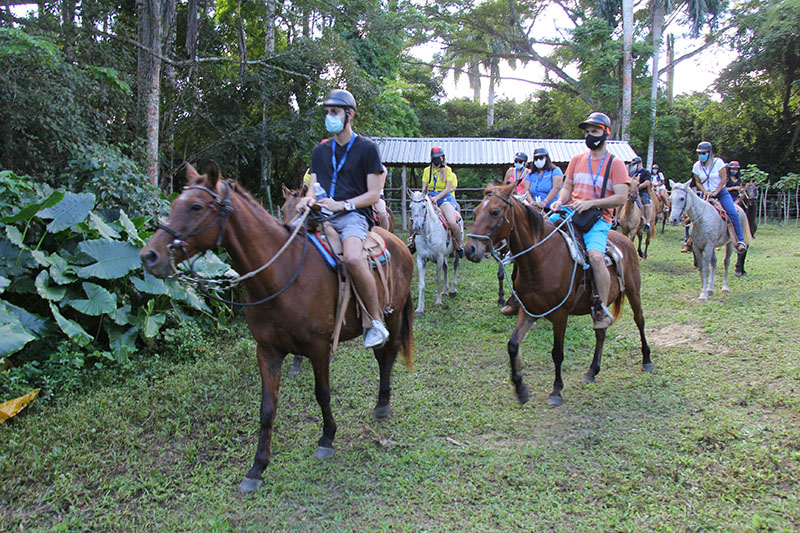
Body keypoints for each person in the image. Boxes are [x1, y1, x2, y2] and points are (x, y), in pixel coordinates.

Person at [295, 88, 390, 348]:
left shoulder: (367, 149)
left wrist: (342, 205)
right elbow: (313, 186)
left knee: (351, 258)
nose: (329, 117)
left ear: (349, 115)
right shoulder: (319, 151)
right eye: (327, 112)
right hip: (321, 213)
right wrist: (307, 199)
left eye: (334, 112)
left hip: (353, 216)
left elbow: (372, 195)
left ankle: (375, 321)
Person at [549, 112, 629, 329]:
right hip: (571, 212)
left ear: (605, 133)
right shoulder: (576, 160)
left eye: (594, 131)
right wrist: (559, 202)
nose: (590, 136)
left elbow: (622, 196)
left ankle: (601, 308)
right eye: (587, 132)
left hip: (598, 219)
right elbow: (567, 188)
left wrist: (592, 203)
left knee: (595, 257)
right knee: (540, 234)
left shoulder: (616, 164)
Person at [691, 141, 747, 253]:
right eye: (699, 153)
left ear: (710, 152)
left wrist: (716, 192)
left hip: (721, 193)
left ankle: (740, 240)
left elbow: (724, 179)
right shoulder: (696, 166)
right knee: (692, 215)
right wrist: (705, 191)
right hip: (705, 194)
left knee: (732, 212)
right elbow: (698, 182)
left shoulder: (718, 163)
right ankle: (689, 241)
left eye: (704, 153)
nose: (701, 155)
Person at [422, 146, 464, 257]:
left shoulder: (448, 170)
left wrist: (437, 198)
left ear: (442, 157)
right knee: (417, 218)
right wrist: (427, 198)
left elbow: (448, 188)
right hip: (430, 196)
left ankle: (459, 245)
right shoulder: (427, 171)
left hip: (445, 197)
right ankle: (413, 243)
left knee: (451, 221)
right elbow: (424, 189)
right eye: (435, 157)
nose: (437, 159)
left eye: (439, 157)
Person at [628, 156, 653, 233]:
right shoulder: (633, 174)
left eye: (635, 164)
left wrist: (638, 186)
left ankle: (648, 222)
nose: (634, 166)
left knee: (646, 204)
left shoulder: (646, 172)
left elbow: (647, 182)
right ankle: (617, 218)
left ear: (640, 164)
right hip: (633, 192)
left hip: (643, 192)